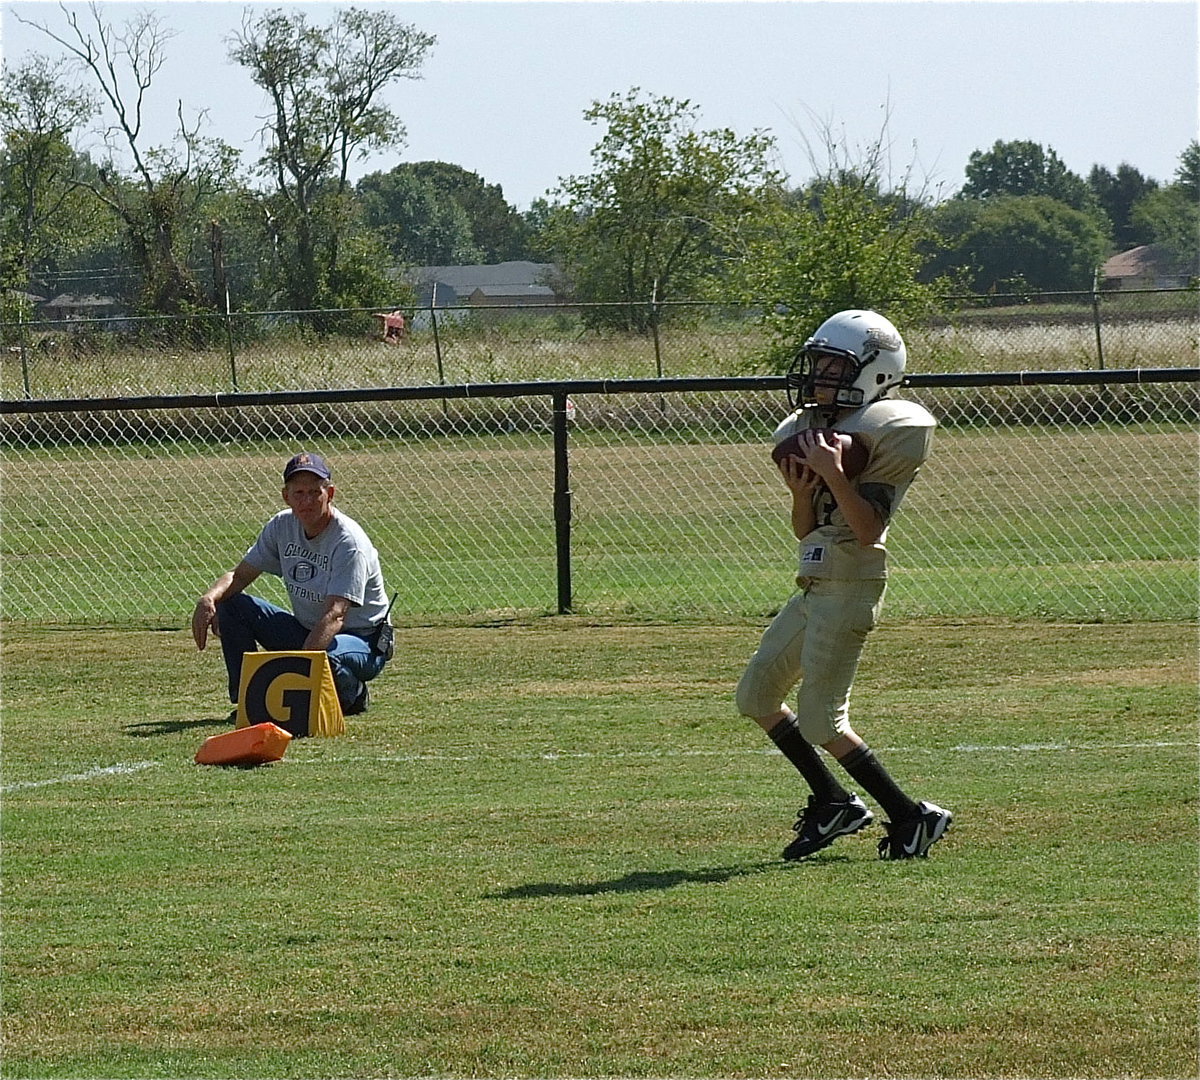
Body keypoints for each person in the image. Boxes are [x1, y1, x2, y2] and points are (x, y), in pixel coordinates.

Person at [736, 309, 952, 860]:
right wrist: (804, 491)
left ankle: (911, 816)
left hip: (853, 582)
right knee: (758, 694)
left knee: (820, 720)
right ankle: (834, 802)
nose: (819, 379)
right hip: (814, 579)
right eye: (818, 367)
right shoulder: (810, 428)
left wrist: (834, 474)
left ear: (873, 372)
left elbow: (869, 528)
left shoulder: (895, 426)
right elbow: (808, 528)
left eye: (832, 368)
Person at [192, 452, 392, 717]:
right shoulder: (281, 526)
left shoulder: (349, 543)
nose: (306, 501)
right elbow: (239, 576)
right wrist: (209, 598)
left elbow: (336, 615)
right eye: (298, 493)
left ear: (329, 493)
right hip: (309, 631)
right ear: (286, 496)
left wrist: (299, 671)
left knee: (326, 660)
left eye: (314, 492)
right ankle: (248, 702)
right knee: (232, 604)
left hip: (362, 639)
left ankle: (353, 693)